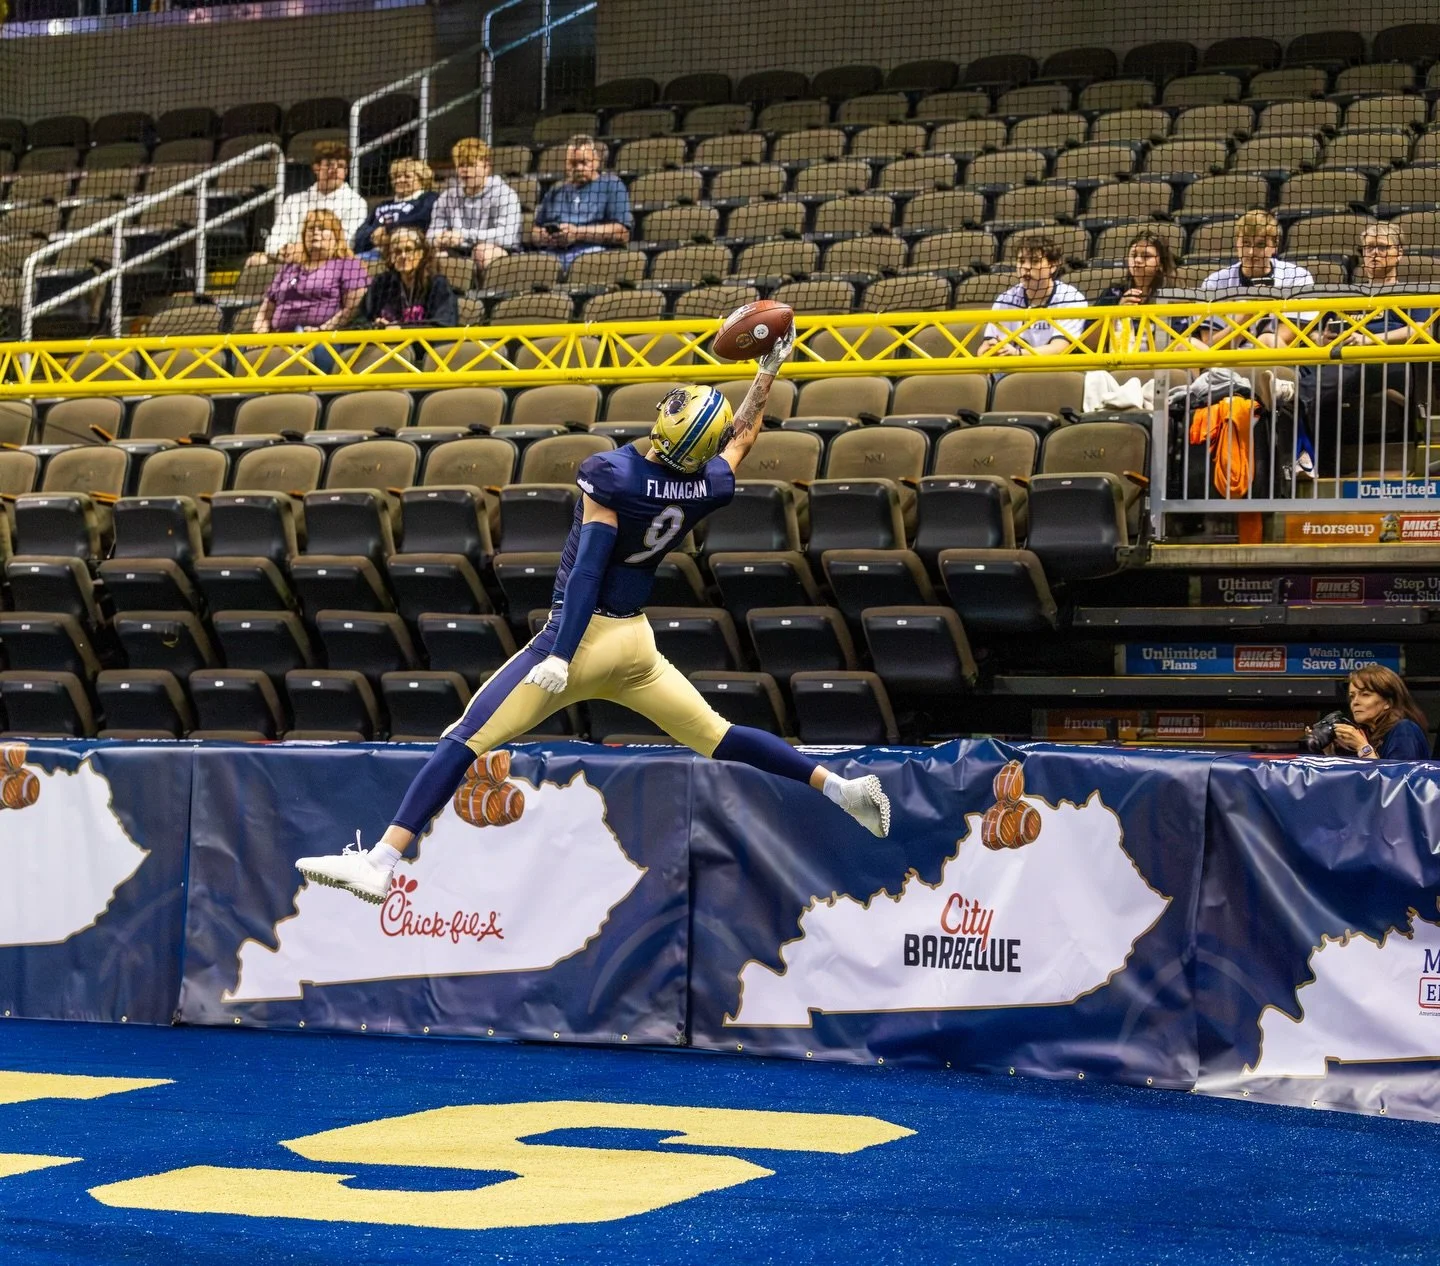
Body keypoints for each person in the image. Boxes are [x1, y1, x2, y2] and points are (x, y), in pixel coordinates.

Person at [294, 325, 893, 905]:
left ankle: (382, 861)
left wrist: (559, 653)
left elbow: (588, 567)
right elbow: (741, 437)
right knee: (718, 735)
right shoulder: (706, 484)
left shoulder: (615, 475)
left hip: (583, 638)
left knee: (462, 739)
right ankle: (840, 788)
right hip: (636, 646)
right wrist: (768, 371)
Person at [1314, 222, 1433, 439]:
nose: (1374, 254)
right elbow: (1315, 334)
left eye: (1382, 247)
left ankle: (1293, 396)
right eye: (1368, 248)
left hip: (1389, 360)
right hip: (1345, 359)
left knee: (1331, 376)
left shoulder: (1412, 293)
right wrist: (1323, 339)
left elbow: (1420, 331)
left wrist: (1369, 341)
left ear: (1399, 254)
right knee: (1304, 372)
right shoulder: (1347, 296)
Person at [1198, 210, 1315, 349]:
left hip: (1273, 357)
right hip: (1227, 360)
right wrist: (1250, 313)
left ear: (1274, 246)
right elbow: (1210, 346)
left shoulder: (1297, 276)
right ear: (1237, 242)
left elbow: (1289, 337)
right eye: (1246, 243)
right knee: (1184, 346)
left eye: (1260, 245)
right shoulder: (1215, 282)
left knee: (1268, 340)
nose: (1251, 252)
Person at [248, 141, 368, 267]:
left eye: (341, 166)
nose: (335, 170)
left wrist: (304, 252)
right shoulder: (293, 201)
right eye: (329, 165)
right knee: (255, 261)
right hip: (290, 262)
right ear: (316, 168)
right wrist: (283, 251)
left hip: (330, 265)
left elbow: (347, 243)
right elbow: (274, 240)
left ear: (346, 171)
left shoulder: (356, 203)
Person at [251, 209, 369, 336]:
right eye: (311, 228)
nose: (315, 232)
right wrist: (260, 331)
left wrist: (323, 330)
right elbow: (266, 309)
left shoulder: (349, 265)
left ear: (337, 236)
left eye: (322, 228)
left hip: (326, 339)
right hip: (279, 338)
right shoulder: (289, 267)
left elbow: (353, 307)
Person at [530, 134, 631, 274]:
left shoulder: (611, 185)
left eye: (584, 162)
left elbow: (622, 233)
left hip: (592, 254)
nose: (578, 168)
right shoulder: (556, 190)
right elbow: (534, 231)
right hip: (553, 254)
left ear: (596, 161)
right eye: (573, 163)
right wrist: (544, 237)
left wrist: (577, 234)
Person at [977, 234, 1087, 356]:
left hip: (1057, 369)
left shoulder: (1071, 298)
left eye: (1035, 261)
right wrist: (989, 350)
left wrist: (1018, 353)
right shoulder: (1006, 300)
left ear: (1053, 265)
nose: (1026, 267)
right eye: (1021, 261)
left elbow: (1060, 348)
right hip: (1015, 370)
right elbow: (987, 346)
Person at [429, 137, 524, 272]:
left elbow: (506, 237)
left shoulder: (505, 194)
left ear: (486, 167)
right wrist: (440, 239)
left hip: (501, 252)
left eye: (471, 165)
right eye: (461, 165)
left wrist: (463, 236)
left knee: (482, 252)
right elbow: (432, 233)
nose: (465, 170)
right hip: (458, 251)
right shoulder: (447, 197)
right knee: (432, 256)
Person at [1321, 666, 1432, 760]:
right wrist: (1330, 754)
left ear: (1388, 702)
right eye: (1352, 696)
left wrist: (1362, 747)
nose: (1355, 702)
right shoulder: (1370, 736)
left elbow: (1399, 781)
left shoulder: (1404, 730)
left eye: (1365, 695)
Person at [360, 227, 459, 328]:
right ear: (390, 256)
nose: (403, 256)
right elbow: (361, 319)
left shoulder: (437, 284)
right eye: (397, 251)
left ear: (421, 254)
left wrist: (401, 328)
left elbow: (444, 323)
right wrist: (375, 325)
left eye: (408, 250)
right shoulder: (381, 283)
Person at [352, 157, 438, 260]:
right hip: (376, 253)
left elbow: (420, 220)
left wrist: (388, 230)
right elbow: (361, 233)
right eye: (397, 176)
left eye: (407, 176)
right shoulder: (382, 205)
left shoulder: (428, 199)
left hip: (409, 253)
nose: (400, 180)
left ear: (422, 180)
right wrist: (373, 236)